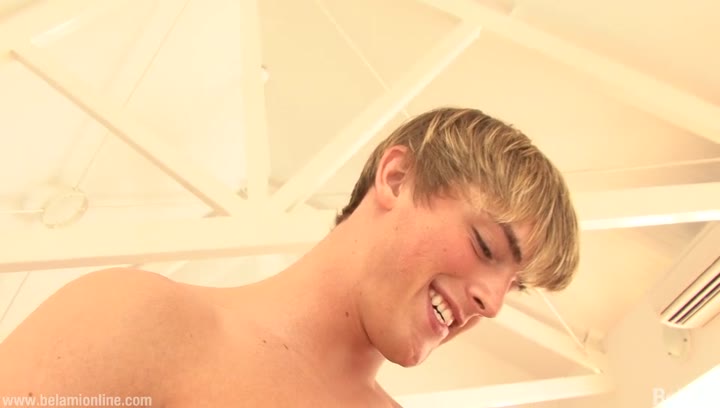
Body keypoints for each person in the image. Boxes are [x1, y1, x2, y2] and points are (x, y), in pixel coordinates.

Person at [0, 107, 579, 407]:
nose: (492, 304)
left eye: (514, 286)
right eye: (486, 247)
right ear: (397, 178)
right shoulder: (137, 319)